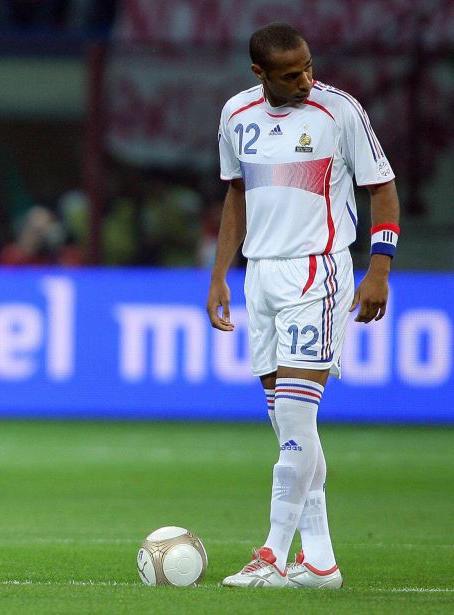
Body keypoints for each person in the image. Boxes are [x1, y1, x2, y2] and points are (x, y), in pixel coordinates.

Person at [207, 22, 399, 589]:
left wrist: (379, 269)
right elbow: (236, 194)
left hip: (317, 269)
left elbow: (382, 187)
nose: (306, 79)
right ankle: (319, 561)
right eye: (291, 74)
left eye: (309, 66)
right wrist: (220, 273)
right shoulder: (236, 115)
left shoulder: (339, 112)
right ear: (259, 74)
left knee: (295, 416)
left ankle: (272, 552)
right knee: (288, 423)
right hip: (260, 277)